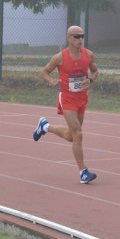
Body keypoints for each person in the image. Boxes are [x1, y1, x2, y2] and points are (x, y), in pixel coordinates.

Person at [32, 25, 99, 184]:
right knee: (78, 134)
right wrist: (51, 80)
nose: (80, 39)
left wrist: (90, 80)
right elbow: (44, 72)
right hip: (67, 98)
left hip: (82, 98)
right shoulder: (59, 58)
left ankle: (45, 127)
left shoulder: (88, 55)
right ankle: (83, 172)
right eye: (76, 36)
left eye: (82, 36)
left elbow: (95, 71)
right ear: (68, 38)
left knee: (71, 136)